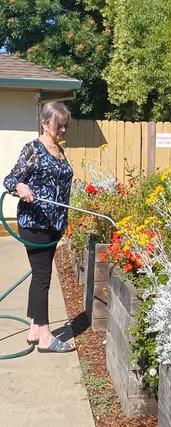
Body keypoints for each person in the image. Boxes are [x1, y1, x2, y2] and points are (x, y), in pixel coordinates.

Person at [3, 101, 75, 353]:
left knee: (40, 276)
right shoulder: (33, 148)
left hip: (54, 224)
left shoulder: (59, 150)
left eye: (66, 125)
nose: (63, 130)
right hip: (35, 223)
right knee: (43, 276)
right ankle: (45, 336)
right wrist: (20, 187)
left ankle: (35, 328)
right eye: (59, 126)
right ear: (45, 124)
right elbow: (11, 179)